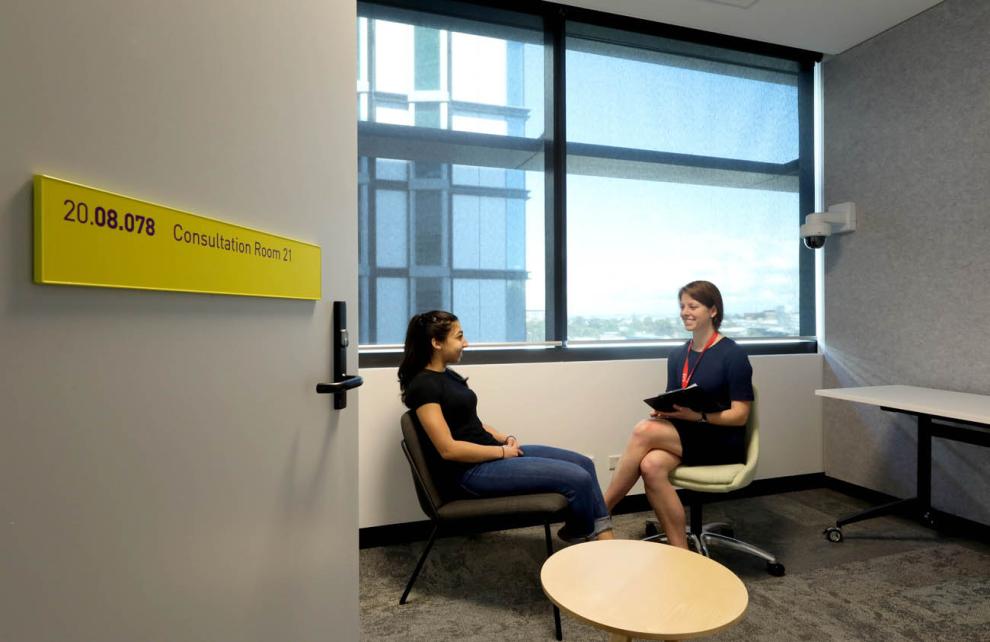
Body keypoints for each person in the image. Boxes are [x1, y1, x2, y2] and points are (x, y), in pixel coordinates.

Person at [399, 310, 614, 543]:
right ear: (436, 342)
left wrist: (503, 438)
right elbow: (448, 449)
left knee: (584, 464)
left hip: (489, 455)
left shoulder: (447, 376)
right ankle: (586, 534)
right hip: (469, 473)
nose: (466, 343)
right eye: (459, 337)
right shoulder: (423, 386)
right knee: (578, 479)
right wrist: (502, 453)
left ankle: (600, 536)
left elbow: (472, 424)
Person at [603, 281, 754, 549]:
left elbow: (740, 415)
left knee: (643, 430)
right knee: (651, 466)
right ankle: (681, 552)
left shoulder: (733, 355)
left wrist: (698, 417)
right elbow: (677, 399)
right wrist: (665, 411)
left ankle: (599, 513)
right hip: (688, 435)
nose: (685, 311)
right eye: (682, 306)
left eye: (693, 306)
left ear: (713, 311)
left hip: (721, 441)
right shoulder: (677, 355)